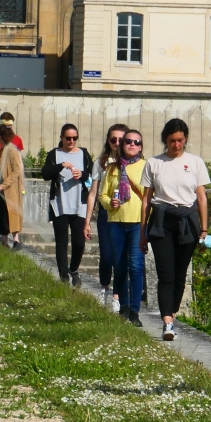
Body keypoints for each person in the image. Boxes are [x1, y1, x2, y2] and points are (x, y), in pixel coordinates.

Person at [139, 119, 209, 341]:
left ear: (185, 139)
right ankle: (167, 321)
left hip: (187, 221)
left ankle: (173, 311)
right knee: (165, 274)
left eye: (180, 140)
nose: (176, 145)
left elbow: (201, 197)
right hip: (161, 222)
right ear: (165, 140)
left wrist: (204, 230)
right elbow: (146, 200)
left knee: (180, 274)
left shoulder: (195, 163)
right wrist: (143, 232)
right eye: (171, 141)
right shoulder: (154, 163)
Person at [100, 129, 146, 326]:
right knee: (119, 266)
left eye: (136, 142)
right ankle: (124, 307)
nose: (132, 145)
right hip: (116, 222)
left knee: (136, 266)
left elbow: (150, 195)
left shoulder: (146, 167)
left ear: (141, 147)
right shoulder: (112, 169)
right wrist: (111, 203)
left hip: (137, 222)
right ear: (121, 144)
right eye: (128, 141)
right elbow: (102, 195)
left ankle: (135, 311)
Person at [41, 124, 93, 286]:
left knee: (79, 242)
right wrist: (60, 166)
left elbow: (92, 175)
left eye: (74, 138)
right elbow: (45, 174)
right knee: (61, 242)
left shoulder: (84, 154)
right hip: (60, 205)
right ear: (62, 138)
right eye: (68, 138)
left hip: (80, 205)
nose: (71, 141)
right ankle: (63, 276)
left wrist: (82, 174)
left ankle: (74, 269)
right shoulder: (54, 154)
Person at [86, 124, 129, 310]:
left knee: (121, 257)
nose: (117, 143)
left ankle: (117, 295)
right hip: (106, 212)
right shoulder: (101, 163)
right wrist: (86, 221)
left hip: (126, 213)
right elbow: (93, 193)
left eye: (121, 140)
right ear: (108, 141)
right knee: (106, 255)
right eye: (114, 139)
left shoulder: (133, 162)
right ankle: (104, 286)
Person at [0, 112, 25, 246]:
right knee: (1, 214)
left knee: (10, 213)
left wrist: (4, 185)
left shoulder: (11, 149)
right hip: (0, 187)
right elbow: (2, 168)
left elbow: (17, 169)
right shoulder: (2, 149)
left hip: (9, 188)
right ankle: (3, 241)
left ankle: (16, 241)